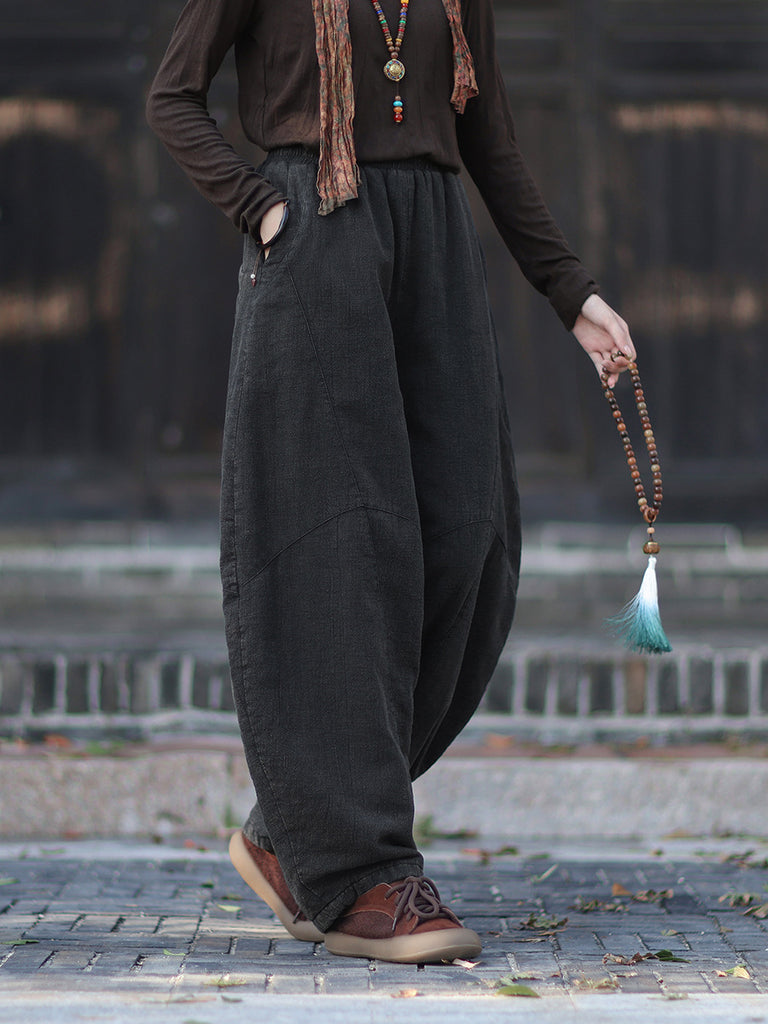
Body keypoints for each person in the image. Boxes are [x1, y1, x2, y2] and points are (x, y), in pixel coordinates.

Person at [146, 0, 635, 964]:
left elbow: (488, 135)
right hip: (316, 234)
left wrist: (569, 289)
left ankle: (294, 831)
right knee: (337, 541)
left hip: (436, 241)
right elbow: (173, 97)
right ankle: (363, 868)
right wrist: (259, 205)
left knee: (472, 534)